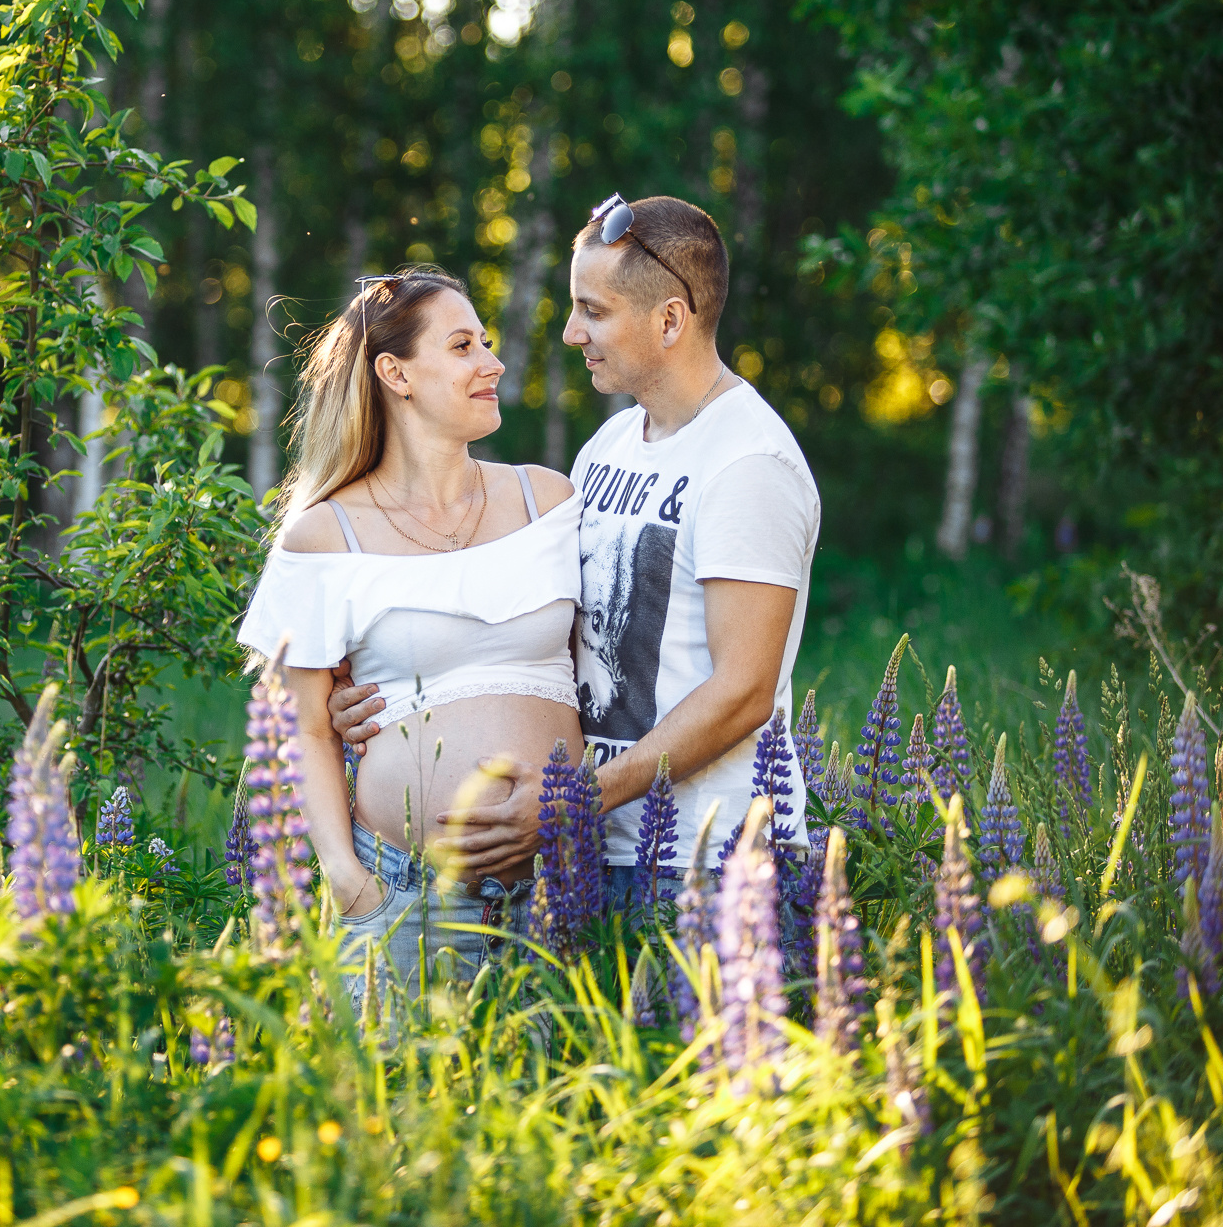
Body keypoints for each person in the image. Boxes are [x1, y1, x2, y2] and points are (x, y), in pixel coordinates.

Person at [331, 194, 820, 902]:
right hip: (593, 856)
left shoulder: (748, 462)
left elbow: (743, 692)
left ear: (670, 320)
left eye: (593, 311)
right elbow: (548, 628)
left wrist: (573, 800)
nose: (570, 332)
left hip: (705, 861)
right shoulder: (610, 447)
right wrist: (390, 688)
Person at [235, 268, 581, 988]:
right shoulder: (323, 536)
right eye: (462, 346)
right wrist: (346, 878)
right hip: (403, 895)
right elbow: (302, 725)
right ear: (396, 374)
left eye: (486, 341)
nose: (492, 363)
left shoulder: (549, 501)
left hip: (562, 883)